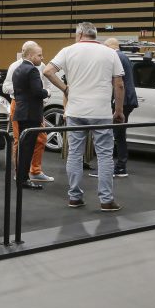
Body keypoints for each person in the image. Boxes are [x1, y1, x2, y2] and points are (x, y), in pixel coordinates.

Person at [43, 22, 124, 212]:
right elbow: (119, 84)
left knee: (75, 154)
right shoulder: (110, 53)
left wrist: (65, 89)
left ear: (80, 34)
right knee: (104, 156)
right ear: (95, 35)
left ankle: (75, 197)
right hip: (101, 112)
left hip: (76, 111)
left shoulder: (68, 51)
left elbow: (48, 71)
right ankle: (106, 200)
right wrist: (118, 111)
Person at [3, 41, 53, 184]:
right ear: (29, 54)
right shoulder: (22, 67)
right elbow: (8, 87)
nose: (42, 58)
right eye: (39, 55)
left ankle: (32, 171)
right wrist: (44, 93)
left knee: (38, 139)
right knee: (22, 142)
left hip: (28, 108)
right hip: (24, 108)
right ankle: (20, 174)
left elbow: (42, 85)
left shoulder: (32, 67)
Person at [104, 38, 138, 178]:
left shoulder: (115, 56)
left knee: (117, 134)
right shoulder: (124, 56)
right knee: (119, 134)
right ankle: (119, 165)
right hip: (128, 99)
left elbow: (118, 83)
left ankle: (119, 167)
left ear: (109, 47)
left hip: (122, 101)